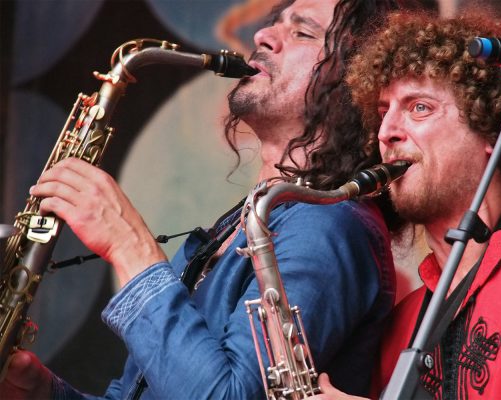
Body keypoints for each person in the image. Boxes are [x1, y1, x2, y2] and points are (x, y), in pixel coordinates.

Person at [0, 0, 402, 398]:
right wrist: (41, 393)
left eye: (302, 32)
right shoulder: (244, 223)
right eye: (274, 24)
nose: (263, 35)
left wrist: (129, 246)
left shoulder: (329, 224)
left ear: (359, 80)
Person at [312, 8, 501, 400]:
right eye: (383, 113)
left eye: (419, 107)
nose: (387, 133)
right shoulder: (401, 322)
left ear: (493, 128)